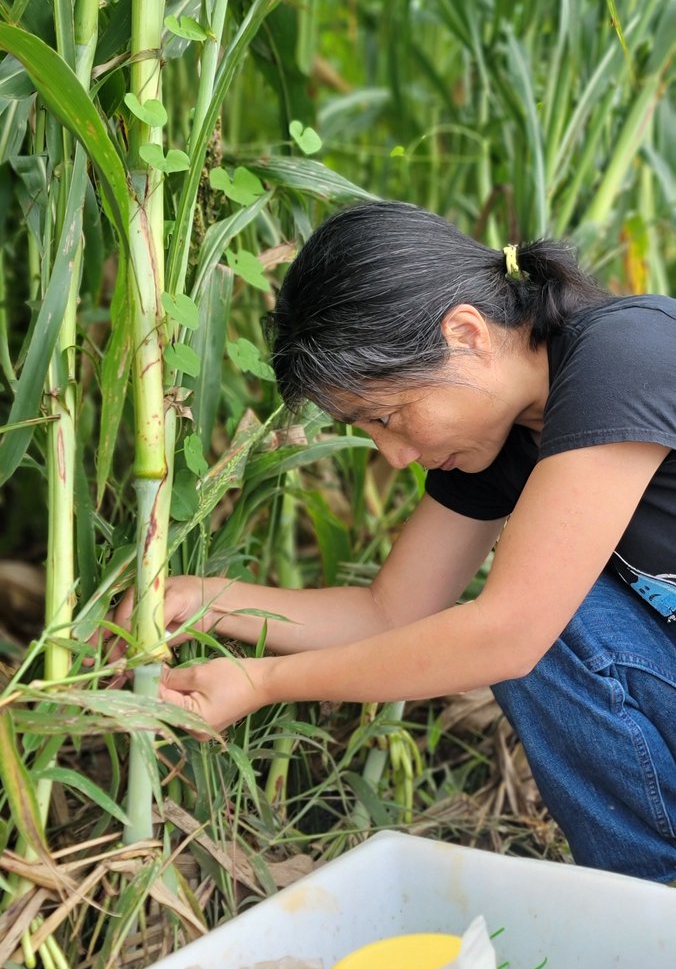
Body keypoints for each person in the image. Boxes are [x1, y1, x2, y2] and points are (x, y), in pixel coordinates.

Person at [115, 200, 676, 882]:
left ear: (466, 333)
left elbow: (509, 633)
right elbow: (391, 612)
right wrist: (203, 600)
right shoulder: (499, 443)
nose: (396, 457)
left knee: (549, 620)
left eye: (389, 417)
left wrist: (264, 681)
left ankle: (654, 909)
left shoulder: (627, 354)